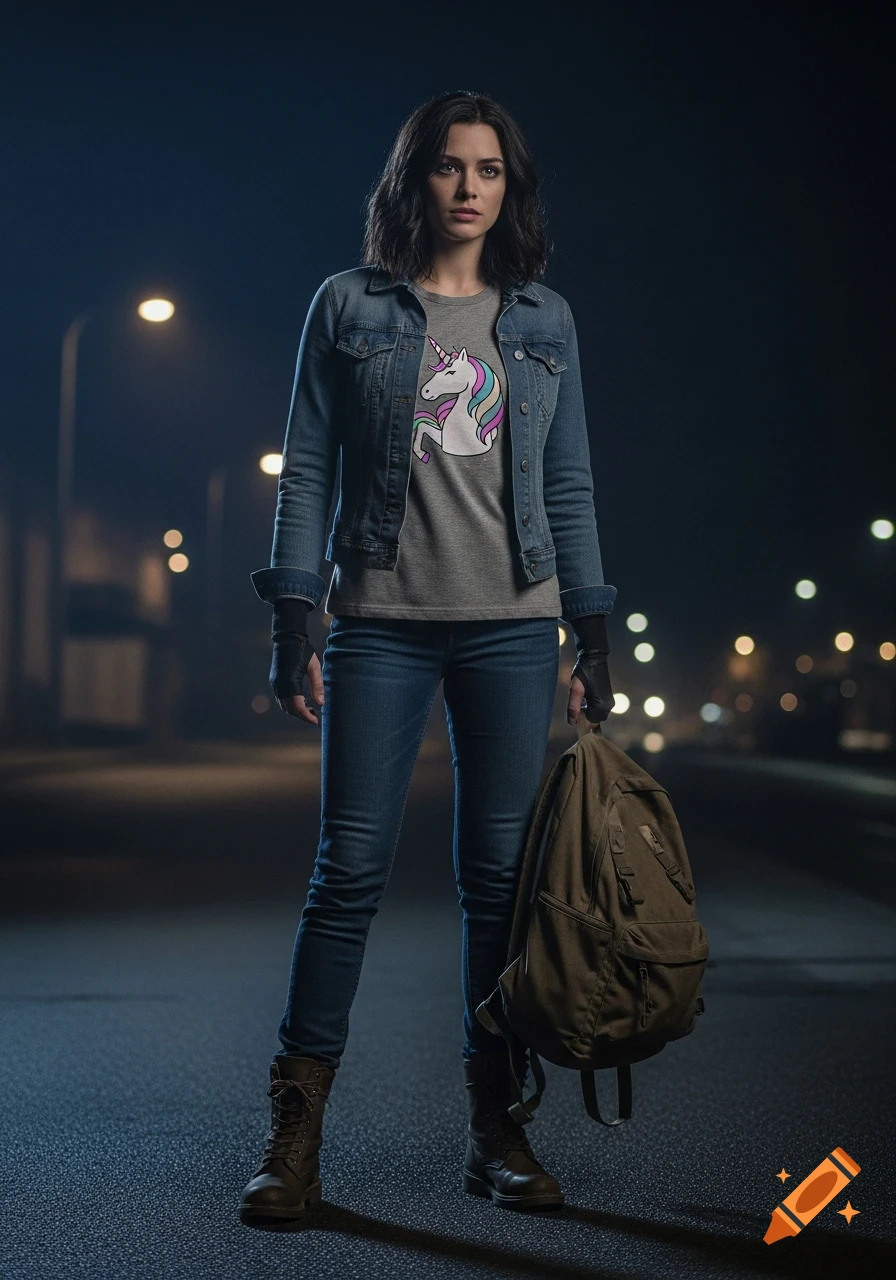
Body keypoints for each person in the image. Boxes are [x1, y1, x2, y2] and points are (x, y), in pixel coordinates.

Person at [239, 89, 617, 1226]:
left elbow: (569, 484)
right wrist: (294, 614)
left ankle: (495, 1129)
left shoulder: (543, 320)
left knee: (496, 889)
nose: (467, 187)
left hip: (511, 624)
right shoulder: (348, 305)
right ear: (415, 182)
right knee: (346, 873)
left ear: (509, 189)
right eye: (448, 167)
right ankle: (293, 1137)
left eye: (488, 169)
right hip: (382, 622)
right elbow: (306, 466)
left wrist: (589, 627)